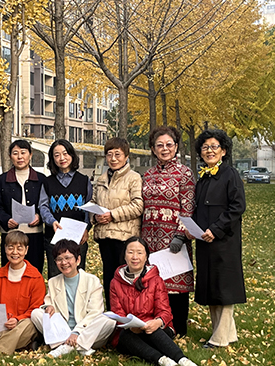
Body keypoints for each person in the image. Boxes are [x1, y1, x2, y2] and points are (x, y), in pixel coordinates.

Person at [187, 129, 246, 349]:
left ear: (223, 151)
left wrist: (216, 229)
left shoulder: (231, 175)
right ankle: (226, 333)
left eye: (214, 147)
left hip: (224, 241)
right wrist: (191, 228)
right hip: (205, 242)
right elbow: (199, 210)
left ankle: (219, 339)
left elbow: (237, 207)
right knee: (211, 287)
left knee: (224, 288)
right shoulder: (203, 178)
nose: (209, 151)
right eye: (205, 147)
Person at [110, 237, 200, 366]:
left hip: (156, 328)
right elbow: (118, 313)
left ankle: (182, 360)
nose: (135, 257)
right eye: (130, 252)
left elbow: (165, 311)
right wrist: (130, 325)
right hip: (131, 330)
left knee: (152, 331)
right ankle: (162, 360)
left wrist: (157, 322)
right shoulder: (115, 282)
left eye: (139, 253)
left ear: (146, 256)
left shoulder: (156, 280)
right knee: (125, 337)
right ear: (124, 255)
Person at [141, 127, 195, 336]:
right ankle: (158, 325)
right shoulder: (148, 174)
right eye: (159, 145)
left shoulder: (184, 173)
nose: (164, 149)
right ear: (153, 149)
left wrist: (180, 235)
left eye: (169, 145)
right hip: (150, 237)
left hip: (174, 237)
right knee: (154, 282)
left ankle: (179, 327)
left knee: (175, 284)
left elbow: (188, 207)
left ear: (176, 146)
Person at [31, 239, 115, 357]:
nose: (64, 262)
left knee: (110, 320)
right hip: (62, 331)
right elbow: (48, 303)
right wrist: (48, 307)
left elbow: (95, 312)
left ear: (78, 259)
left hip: (86, 331)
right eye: (59, 259)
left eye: (67, 258)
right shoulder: (53, 282)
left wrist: (77, 332)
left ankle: (66, 347)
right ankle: (77, 346)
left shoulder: (92, 281)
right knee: (36, 313)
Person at [90, 137, 143, 310]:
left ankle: (129, 316)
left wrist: (112, 215)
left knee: (126, 279)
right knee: (109, 279)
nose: (113, 158)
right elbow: (93, 202)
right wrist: (95, 217)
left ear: (126, 156)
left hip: (125, 238)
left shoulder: (134, 178)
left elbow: (138, 206)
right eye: (109, 154)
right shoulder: (101, 179)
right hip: (105, 236)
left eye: (117, 154)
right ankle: (112, 315)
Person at [0, 140, 46, 273]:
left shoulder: (41, 179)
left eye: (23, 153)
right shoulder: (2, 180)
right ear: (10, 157)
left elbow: (46, 204)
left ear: (30, 155)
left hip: (34, 234)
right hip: (10, 234)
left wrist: (39, 216)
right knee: (10, 272)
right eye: (15, 153)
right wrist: (6, 219)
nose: (20, 157)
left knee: (34, 272)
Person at [39, 139, 92, 278]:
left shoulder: (84, 180)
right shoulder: (47, 182)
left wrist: (86, 228)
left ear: (72, 155)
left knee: (78, 277)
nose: (62, 158)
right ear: (52, 159)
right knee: (55, 277)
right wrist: (52, 221)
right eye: (57, 155)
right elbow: (43, 206)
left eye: (65, 153)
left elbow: (89, 207)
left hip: (78, 238)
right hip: (54, 238)